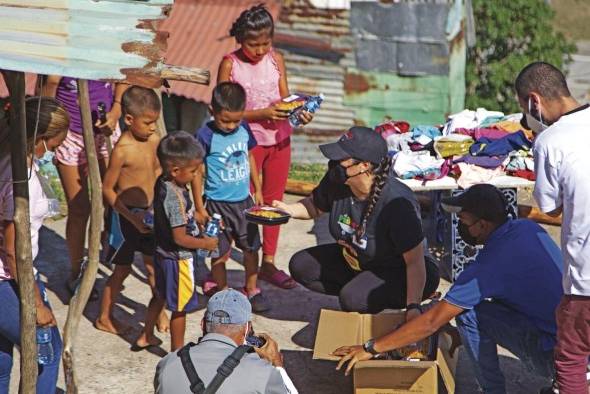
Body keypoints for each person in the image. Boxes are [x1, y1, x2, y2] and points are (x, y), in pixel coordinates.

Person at [332, 184, 564, 394]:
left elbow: (431, 322)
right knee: (473, 304)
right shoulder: (527, 229)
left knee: (468, 313)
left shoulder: (490, 265)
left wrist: (372, 347)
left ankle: (494, 390)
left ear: (482, 224)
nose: (461, 228)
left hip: (559, 358)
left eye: (464, 221)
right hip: (578, 344)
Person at [273, 126, 439, 314]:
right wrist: (288, 210)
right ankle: (362, 291)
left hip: (401, 271)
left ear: (364, 165)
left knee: (352, 298)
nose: (334, 163)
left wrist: (413, 306)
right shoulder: (338, 182)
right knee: (301, 266)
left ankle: (368, 298)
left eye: (341, 159)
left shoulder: (397, 203)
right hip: (362, 261)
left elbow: (414, 262)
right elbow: (314, 205)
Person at [218, 4, 313, 290]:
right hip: (245, 144)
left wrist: (299, 112)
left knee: (274, 203)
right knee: (241, 203)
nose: (259, 50)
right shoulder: (230, 64)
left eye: (265, 43)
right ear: (240, 40)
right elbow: (222, 110)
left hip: (280, 141)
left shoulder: (276, 60)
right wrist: (259, 115)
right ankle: (220, 261)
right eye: (253, 44)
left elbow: (285, 98)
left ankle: (268, 263)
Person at [516, 61, 590, 394]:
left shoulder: (550, 142)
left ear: (535, 101)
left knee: (572, 360)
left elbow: (552, 207)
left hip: (585, 281)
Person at [0, 97, 70, 393]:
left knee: (2, 361)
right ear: (39, 139)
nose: (54, 154)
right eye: (53, 146)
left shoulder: (7, 161)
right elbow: (13, 250)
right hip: (7, 279)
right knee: (48, 352)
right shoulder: (20, 179)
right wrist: (38, 305)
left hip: (9, 277)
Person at [95, 86, 170, 344]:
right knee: (122, 270)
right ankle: (104, 316)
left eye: (154, 122)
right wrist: (131, 218)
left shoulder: (155, 139)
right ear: (129, 119)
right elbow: (107, 190)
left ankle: (157, 312)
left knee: (154, 267)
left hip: (150, 215)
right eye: (148, 122)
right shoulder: (122, 150)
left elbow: (159, 170)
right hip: (125, 219)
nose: (152, 127)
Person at [42, 76, 128, 298]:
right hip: (69, 135)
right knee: (80, 208)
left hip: (105, 130)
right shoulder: (59, 53)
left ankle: (110, 244)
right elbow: (45, 97)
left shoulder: (107, 46)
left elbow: (125, 74)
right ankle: (77, 272)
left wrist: (116, 109)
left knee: (115, 197)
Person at [192, 82, 268, 312]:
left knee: (251, 247)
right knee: (218, 251)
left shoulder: (244, 129)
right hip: (216, 205)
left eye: (236, 120)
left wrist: (258, 188)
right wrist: (199, 207)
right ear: (211, 111)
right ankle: (222, 292)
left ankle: (251, 289)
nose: (231, 126)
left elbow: (250, 158)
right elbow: (195, 171)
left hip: (244, 203)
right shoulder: (204, 135)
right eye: (225, 120)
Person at [154, 289, 294, 394]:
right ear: (247, 329)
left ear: (202, 324)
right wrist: (277, 364)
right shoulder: (261, 373)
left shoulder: (167, 364)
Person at [152, 131, 218, 351]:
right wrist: (205, 244)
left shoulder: (165, 183)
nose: (197, 174)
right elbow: (179, 237)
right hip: (178, 258)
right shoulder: (175, 198)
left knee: (160, 295)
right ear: (175, 170)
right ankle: (177, 353)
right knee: (179, 308)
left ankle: (145, 335)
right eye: (193, 171)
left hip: (161, 252)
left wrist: (197, 215)